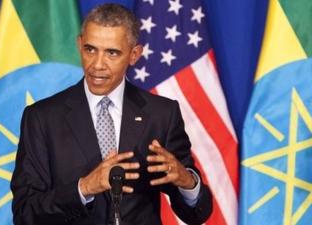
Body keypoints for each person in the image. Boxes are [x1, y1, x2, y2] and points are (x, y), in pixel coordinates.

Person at [11, 3, 212, 225]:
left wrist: (187, 182)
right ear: (79, 44)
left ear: (134, 54)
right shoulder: (42, 118)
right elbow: (25, 213)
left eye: (112, 53)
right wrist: (85, 187)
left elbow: (196, 214)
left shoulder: (161, 114)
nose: (97, 65)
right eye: (90, 49)